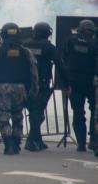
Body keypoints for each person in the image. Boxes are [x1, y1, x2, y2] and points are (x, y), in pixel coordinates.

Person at [0, 23, 38, 155]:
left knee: (4, 115)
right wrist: (34, 89)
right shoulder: (26, 51)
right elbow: (34, 72)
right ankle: (16, 143)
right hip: (20, 87)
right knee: (17, 115)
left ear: (2, 35)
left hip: (2, 87)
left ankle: (8, 144)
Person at [23, 21, 60, 152]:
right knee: (37, 112)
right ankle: (31, 141)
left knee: (34, 112)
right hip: (42, 83)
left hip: (26, 83)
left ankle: (37, 140)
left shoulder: (25, 44)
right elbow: (59, 62)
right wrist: (64, 82)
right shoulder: (48, 47)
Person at [62, 19, 97, 153]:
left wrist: (66, 82)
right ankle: (93, 141)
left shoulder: (70, 41)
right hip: (91, 83)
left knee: (78, 112)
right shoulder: (95, 43)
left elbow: (63, 60)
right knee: (95, 112)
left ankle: (81, 144)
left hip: (74, 82)